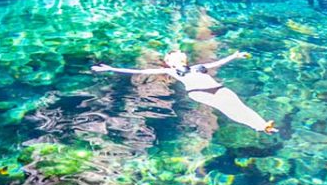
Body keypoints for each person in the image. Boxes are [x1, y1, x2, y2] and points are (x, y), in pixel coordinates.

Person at [92, 50, 277, 133]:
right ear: (171, 61)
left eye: (180, 53)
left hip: (217, 88)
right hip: (198, 91)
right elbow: (142, 71)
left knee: (239, 106)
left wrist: (235, 56)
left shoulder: (198, 67)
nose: (180, 54)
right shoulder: (171, 70)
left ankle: (262, 125)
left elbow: (217, 63)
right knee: (228, 110)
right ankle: (256, 126)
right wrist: (110, 68)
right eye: (174, 54)